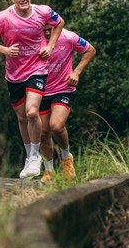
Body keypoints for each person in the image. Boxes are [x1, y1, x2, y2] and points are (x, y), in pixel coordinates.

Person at [0, 0, 65, 179]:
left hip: (38, 68)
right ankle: (29, 157)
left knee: (32, 111)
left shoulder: (43, 11)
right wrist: (5, 50)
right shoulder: (3, 18)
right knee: (21, 117)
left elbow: (59, 22)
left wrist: (50, 46)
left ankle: (35, 157)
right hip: (15, 73)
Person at [38, 27, 96, 181]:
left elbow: (90, 50)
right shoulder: (33, 37)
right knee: (43, 132)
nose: (47, 33)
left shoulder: (69, 37)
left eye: (50, 29)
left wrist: (76, 72)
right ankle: (49, 171)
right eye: (44, 29)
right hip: (40, 90)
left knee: (56, 126)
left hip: (63, 89)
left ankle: (66, 160)